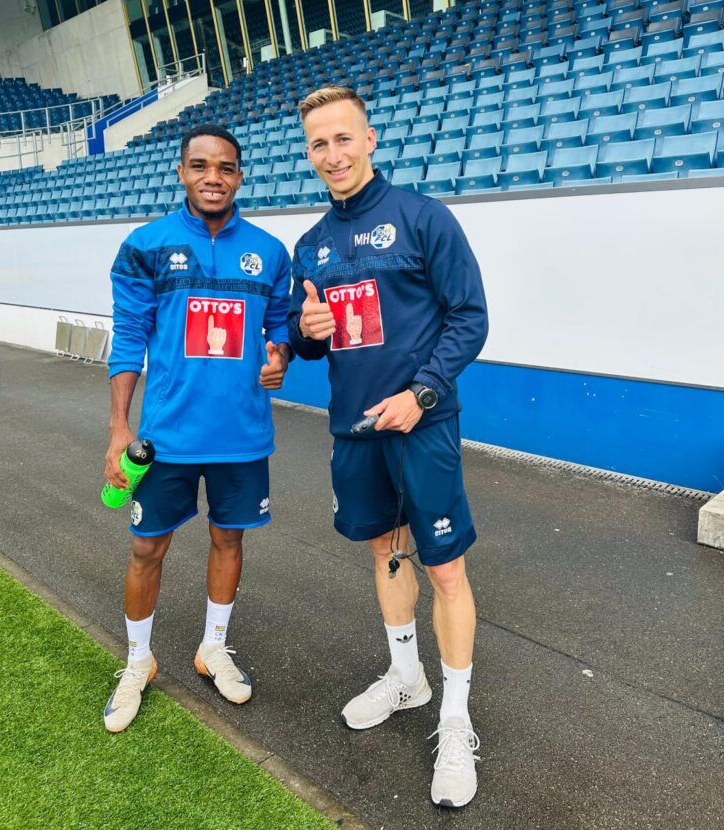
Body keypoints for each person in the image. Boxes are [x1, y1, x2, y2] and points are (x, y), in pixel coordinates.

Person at [287, 87, 489, 808]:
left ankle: (455, 720)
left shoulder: (423, 218)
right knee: (385, 551)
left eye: (343, 138)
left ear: (369, 139)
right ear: (309, 153)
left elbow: (470, 318)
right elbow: (312, 346)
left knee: (445, 569)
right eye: (319, 144)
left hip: (422, 426)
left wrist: (421, 394)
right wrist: (306, 332)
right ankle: (407, 678)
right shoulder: (309, 245)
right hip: (354, 431)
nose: (332, 154)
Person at [103, 124, 291, 733]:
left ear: (240, 176)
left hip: (241, 437)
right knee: (146, 548)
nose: (214, 177)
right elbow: (128, 339)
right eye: (201, 166)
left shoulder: (269, 252)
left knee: (229, 540)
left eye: (226, 167)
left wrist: (280, 356)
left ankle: (213, 648)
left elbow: (281, 325)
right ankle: (138, 660)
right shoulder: (145, 245)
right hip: (166, 438)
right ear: (182, 171)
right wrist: (118, 428)